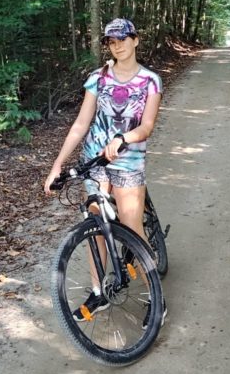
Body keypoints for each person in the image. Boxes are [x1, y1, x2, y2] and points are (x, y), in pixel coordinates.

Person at [43, 18, 163, 322]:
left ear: (136, 40)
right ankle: (99, 292)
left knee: (132, 228)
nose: (118, 45)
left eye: (123, 38)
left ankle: (156, 298)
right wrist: (58, 165)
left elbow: (146, 126)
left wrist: (123, 138)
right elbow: (81, 123)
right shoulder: (98, 78)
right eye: (111, 41)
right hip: (96, 162)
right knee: (96, 225)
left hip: (128, 161)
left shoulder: (150, 81)